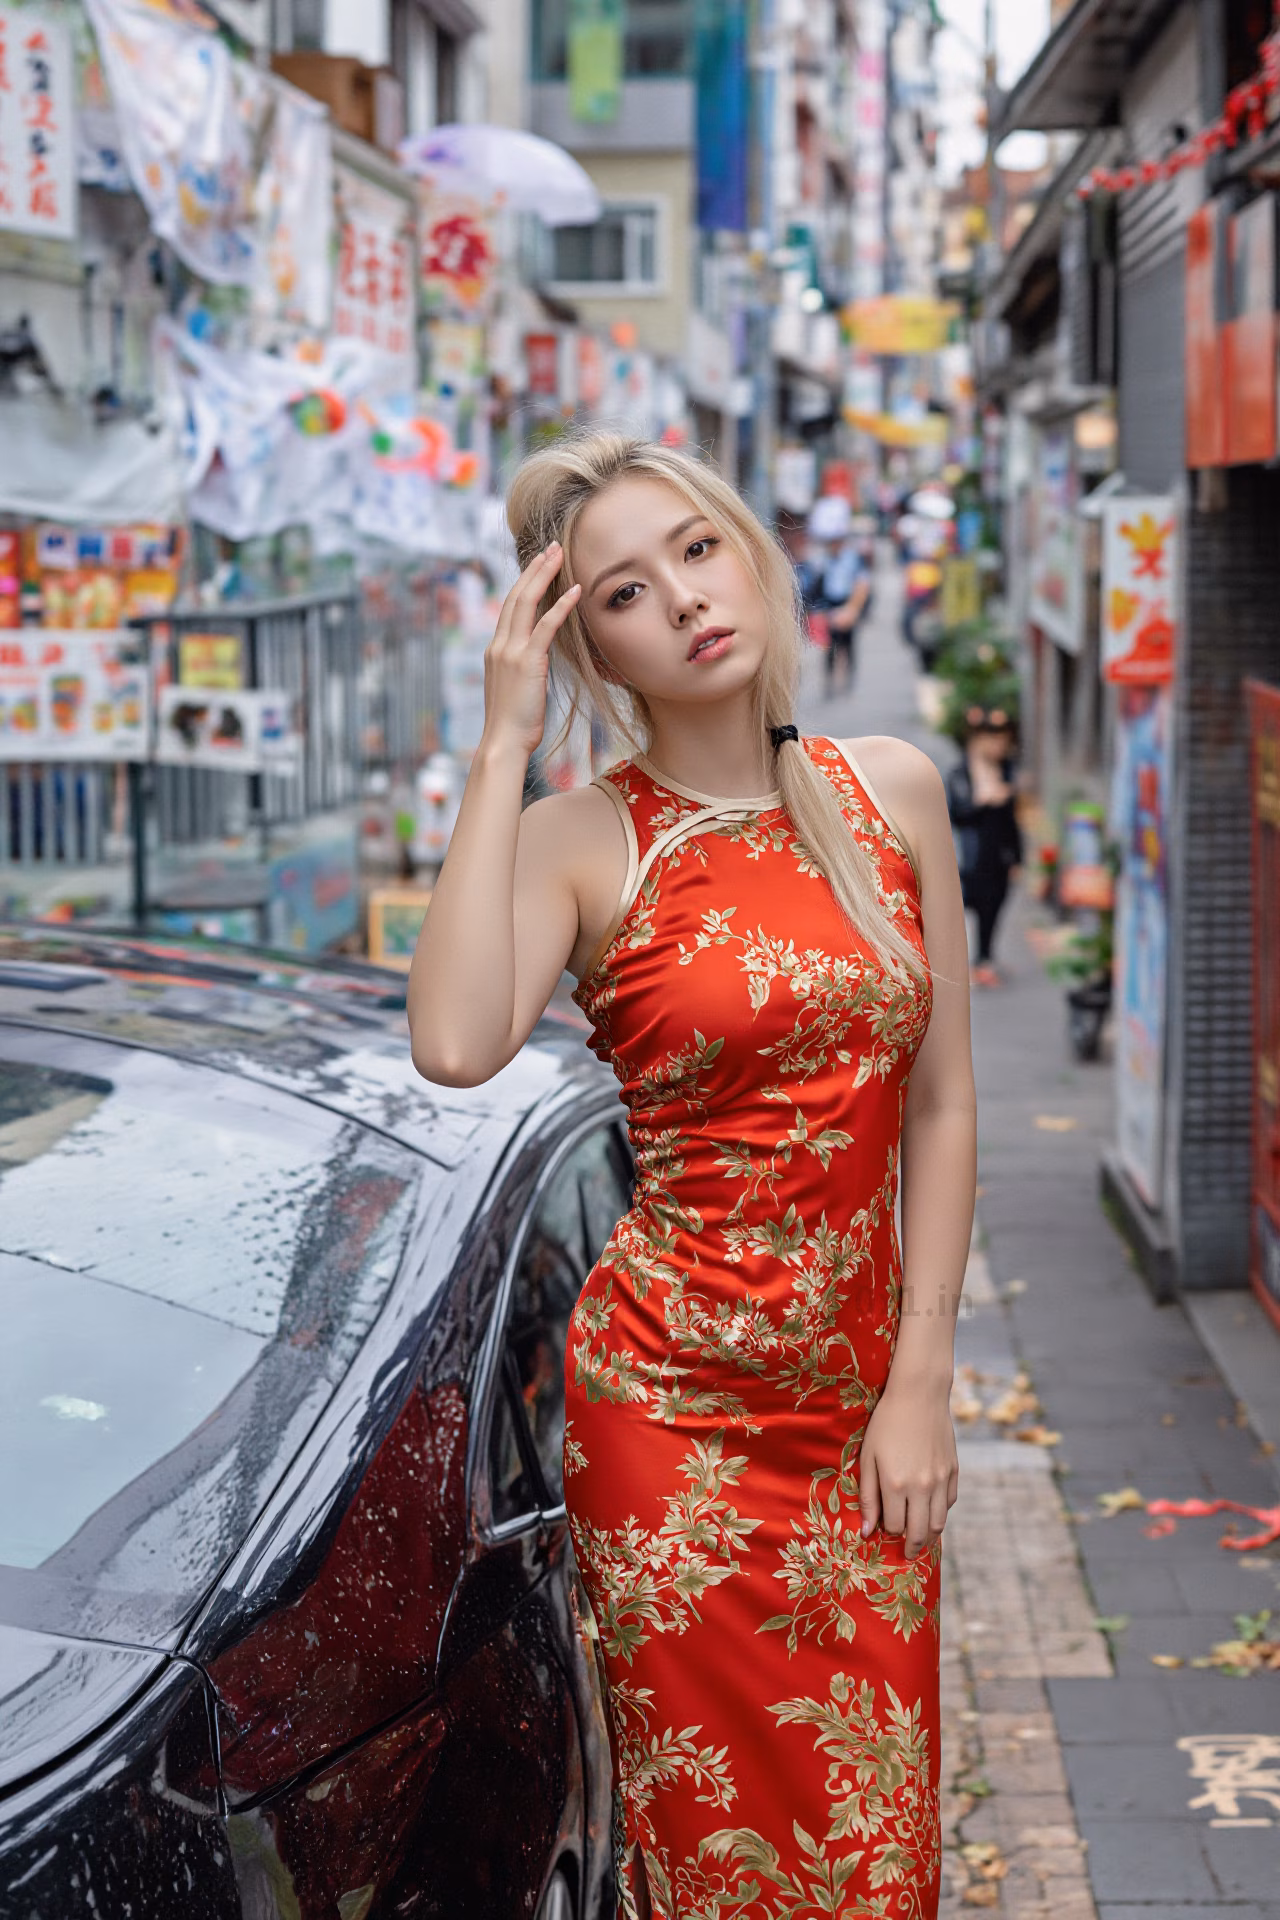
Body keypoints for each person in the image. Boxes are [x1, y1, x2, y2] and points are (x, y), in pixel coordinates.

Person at [408, 434, 976, 1920]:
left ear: (751, 547)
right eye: (625, 593)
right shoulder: (583, 839)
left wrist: (921, 1378)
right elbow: (459, 1041)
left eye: (698, 553)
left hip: (859, 1406)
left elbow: (945, 1103)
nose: (684, 602)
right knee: (716, 1852)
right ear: (587, 642)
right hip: (668, 1421)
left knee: (874, 1836)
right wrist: (499, 741)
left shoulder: (894, 793)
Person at [946, 705, 1023, 988]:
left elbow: (1012, 821)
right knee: (956, 914)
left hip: (997, 858)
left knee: (993, 911)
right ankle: (957, 964)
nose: (998, 744)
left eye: (1003, 738)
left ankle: (984, 959)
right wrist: (984, 800)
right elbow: (957, 813)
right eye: (991, 738)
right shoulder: (960, 774)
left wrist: (1017, 857)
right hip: (968, 859)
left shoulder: (1005, 770)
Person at [798, 493, 870, 695]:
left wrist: (852, 609)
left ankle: (849, 678)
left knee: (848, 644)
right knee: (829, 646)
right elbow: (815, 586)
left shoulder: (853, 558)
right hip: (829, 604)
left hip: (847, 602)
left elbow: (862, 584)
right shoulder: (821, 560)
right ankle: (829, 681)